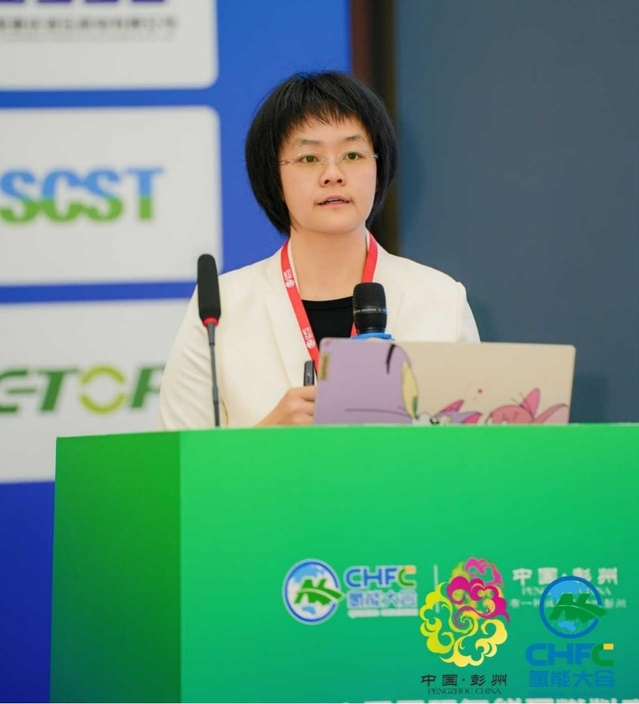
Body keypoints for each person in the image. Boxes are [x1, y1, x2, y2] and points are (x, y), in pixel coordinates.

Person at [158, 71, 479, 430]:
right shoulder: (220, 310)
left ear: (379, 167)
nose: (333, 174)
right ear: (274, 179)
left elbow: (475, 453)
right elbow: (179, 457)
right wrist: (267, 439)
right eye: (309, 158)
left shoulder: (441, 301)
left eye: (353, 154)